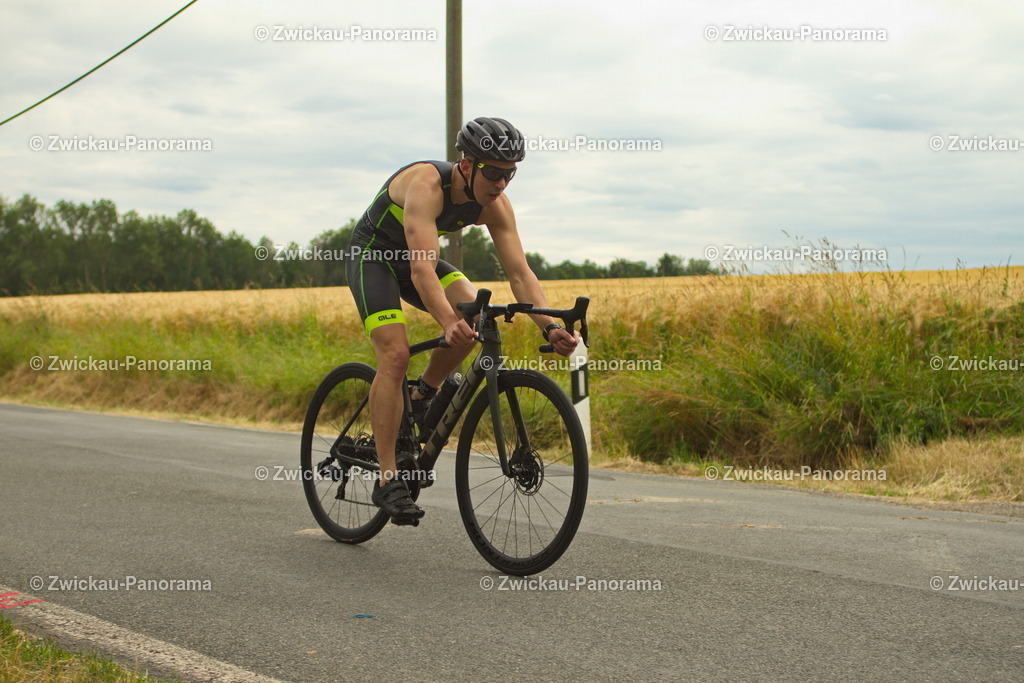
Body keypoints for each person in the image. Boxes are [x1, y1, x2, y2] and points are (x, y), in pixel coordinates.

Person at [345, 116, 580, 525]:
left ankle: (421, 397)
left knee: (475, 319)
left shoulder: (495, 205)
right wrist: (445, 322)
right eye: (493, 172)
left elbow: (520, 273)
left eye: (510, 174)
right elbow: (421, 272)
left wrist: (550, 326)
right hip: (375, 258)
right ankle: (387, 478)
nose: (501, 183)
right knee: (396, 355)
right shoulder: (426, 186)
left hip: (424, 260)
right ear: (467, 165)